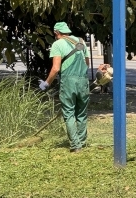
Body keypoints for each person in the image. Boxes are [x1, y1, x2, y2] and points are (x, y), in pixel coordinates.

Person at [39, 22, 90, 153]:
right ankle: (82, 142)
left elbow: (56, 68)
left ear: (56, 33)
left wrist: (47, 83)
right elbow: (87, 63)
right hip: (83, 81)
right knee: (82, 113)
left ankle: (75, 145)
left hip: (68, 82)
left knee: (69, 113)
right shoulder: (81, 41)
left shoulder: (57, 44)